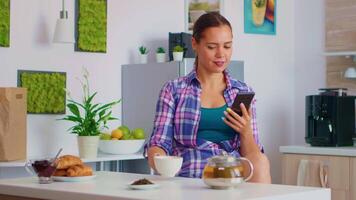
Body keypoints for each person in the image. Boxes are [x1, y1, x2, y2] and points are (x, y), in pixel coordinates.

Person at [146, 12, 271, 183]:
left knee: (261, 161)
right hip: (189, 175)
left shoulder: (241, 91)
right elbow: (159, 144)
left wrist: (246, 131)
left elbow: (252, 156)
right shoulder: (174, 90)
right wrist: (161, 163)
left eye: (227, 46)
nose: (221, 54)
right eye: (212, 47)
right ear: (195, 44)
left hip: (230, 175)